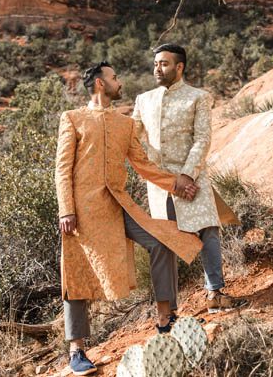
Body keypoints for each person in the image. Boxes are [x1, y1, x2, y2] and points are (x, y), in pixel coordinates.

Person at [56, 61, 203, 376]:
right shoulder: (73, 119)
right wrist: (66, 209)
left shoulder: (124, 124)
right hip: (83, 210)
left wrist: (176, 182)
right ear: (99, 83)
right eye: (113, 77)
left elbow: (143, 165)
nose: (118, 81)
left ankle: (166, 320)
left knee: (161, 242)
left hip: (120, 204)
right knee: (77, 274)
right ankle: (77, 350)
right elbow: (62, 169)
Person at [132, 43, 247, 316]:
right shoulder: (143, 100)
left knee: (208, 230)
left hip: (193, 178)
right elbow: (132, 136)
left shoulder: (198, 97)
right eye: (156, 64)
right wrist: (153, 168)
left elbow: (203, 139)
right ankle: (168, 309)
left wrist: (186, 175)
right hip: (160, 185)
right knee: (166, 241)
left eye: (164, 64)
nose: (157, 69)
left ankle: (215, 293)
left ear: (179, 67)